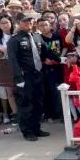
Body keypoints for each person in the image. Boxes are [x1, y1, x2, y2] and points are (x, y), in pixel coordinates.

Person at [5, 13, 49, 142]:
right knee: (25, 105)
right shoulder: (14, 40)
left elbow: (47, 52)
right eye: (25, 21)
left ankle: (36, 128)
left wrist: (62, 59)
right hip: (25, 77)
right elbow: (12, 60)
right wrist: (19, 78)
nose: (28, 23)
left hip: (38, 75)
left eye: (30, 20)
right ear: (18, 22)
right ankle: (27, 131)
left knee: (38, 104)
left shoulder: (37, 36)